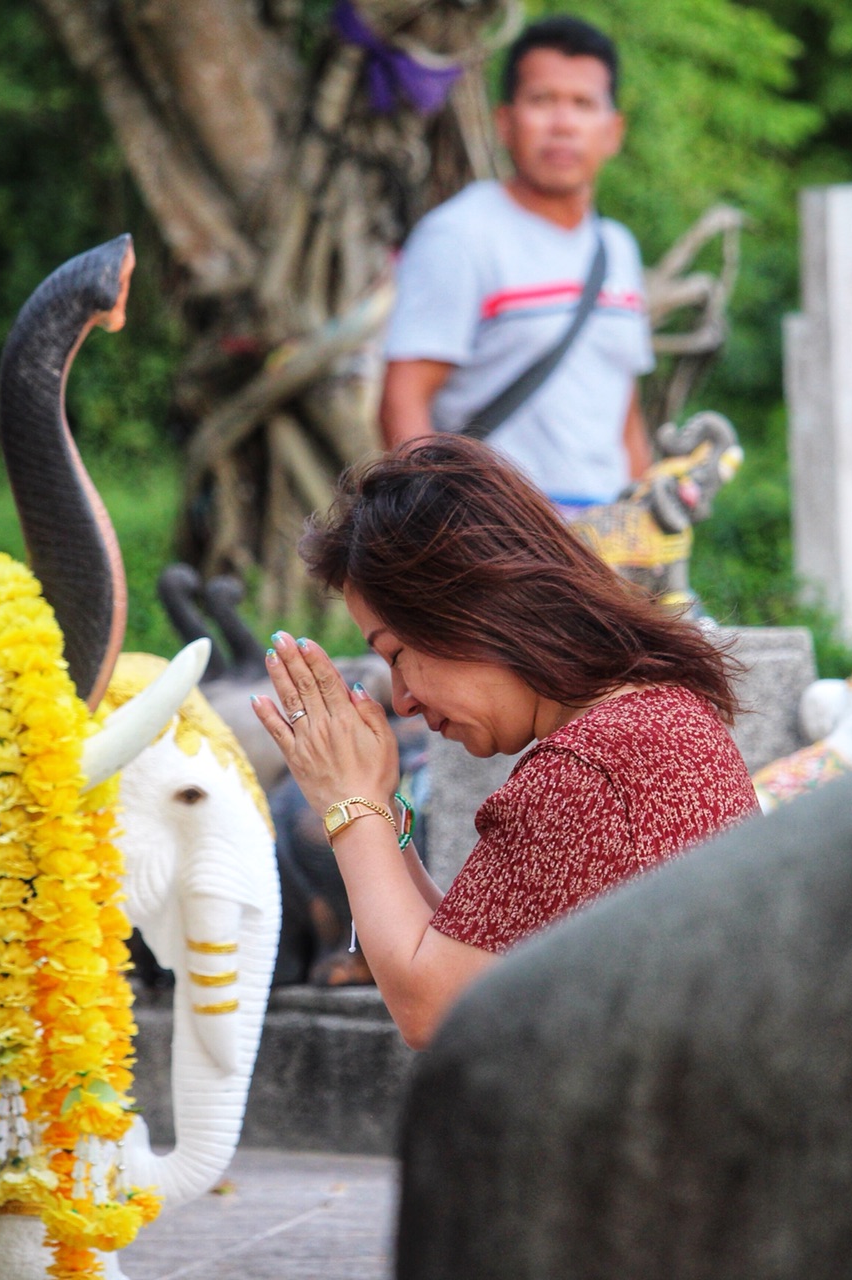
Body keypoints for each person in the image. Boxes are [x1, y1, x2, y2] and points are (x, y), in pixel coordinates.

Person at [250, 435, 757, 1048]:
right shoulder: (655, 717)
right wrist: (376, 806)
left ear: (473, 609)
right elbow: (463, 956)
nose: (403, 699)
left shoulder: (586, 768)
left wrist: (348, 806)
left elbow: (434, 1010)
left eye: (398, 654)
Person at [380, 15, 655, 515]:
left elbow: (624, 410)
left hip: (612, 539)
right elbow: (403, 399)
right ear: (505, 122)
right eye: (542, 100)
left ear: (613, 131)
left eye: (583, 104)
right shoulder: (461, 236)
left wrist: (650, 523)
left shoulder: (618, 249)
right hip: (504, 546)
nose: (563, 124)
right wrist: (437, 531)